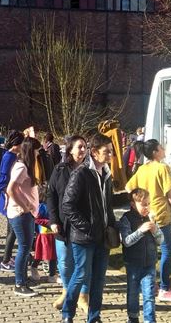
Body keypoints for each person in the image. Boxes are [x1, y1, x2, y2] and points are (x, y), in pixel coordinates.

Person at [61, 133, 117, 323]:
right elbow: (68, 205)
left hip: (102, 238)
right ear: (94, 152)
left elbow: (107, 206)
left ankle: (94, 317)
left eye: (111, 151)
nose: (111, 154)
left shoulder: (107, 174)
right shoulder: (81, 173)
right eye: (107, 151)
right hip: (84, 238)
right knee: (81, 275)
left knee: (99, 280)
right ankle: (67, 314)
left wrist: (113, 226)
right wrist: (88, 228)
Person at [125, 139, 171, 303]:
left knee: (150, 252)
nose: (164, 149)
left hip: (147, 214)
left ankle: (150, 285)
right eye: (161, 147)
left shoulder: (143, 169)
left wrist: (139, 202)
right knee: (167, 250)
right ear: (155, 152)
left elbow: (128, 187)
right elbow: (170, 193)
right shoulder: (162, 167)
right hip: (160, 214)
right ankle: (164, 288)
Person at [47, 135, 89, 311]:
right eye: (79, 147)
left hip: (83, 224)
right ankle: (67, 291)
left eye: (84, 147)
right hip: (63, 225)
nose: (82, 150)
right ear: (70, 149)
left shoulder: (89, 170)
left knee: (84, 262)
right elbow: (51, 195)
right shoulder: (60, 169)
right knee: (64, 261)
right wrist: (53, 220)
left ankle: (83, 296)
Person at [119, 188, 161, 323]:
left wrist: (155, 230)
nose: (147, 207)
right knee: (133, 292)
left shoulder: (151, 218)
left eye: (148, 204)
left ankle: (150, 319)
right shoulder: (127, 219)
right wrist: (141, 231)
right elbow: (126, 241)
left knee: (149, 295)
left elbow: (161, 241)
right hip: (133, 263)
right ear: (133, 204)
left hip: (149, 263)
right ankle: (133, 317)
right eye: (143, 204)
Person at [6, 136, 40, 297]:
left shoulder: (26, 167)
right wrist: (24, 206)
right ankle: (19, 283)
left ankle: (24, 278)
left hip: (27, 214)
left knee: (26, 248)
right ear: (30, 151)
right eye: (37, 151)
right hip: (20, 214)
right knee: (24, 248)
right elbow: (10, 189)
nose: (38, 154)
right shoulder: (22, 167)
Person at [0, 130, 24, 271]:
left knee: (11, 231)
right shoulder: (9, 156)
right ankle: (5, 261)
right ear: (17, 144)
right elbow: (3, 178)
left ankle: (7, 258)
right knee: (12, 231)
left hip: (10, 197)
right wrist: (10, 193)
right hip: (9, 198)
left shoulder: (12, 155)